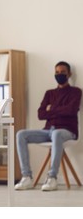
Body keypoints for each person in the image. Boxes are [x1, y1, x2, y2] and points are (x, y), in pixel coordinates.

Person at [15, 61, 81, 191]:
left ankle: (52, 178)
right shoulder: (49, 93)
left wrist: (52, 109)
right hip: (48, 131)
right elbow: (41, 114)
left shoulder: (76, 92)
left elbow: (71, 111)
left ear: (69, 74)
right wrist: (59, 110)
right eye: (57, 72)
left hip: (68, 131)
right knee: (21, 134)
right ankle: (26, 177)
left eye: (63, 72)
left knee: (57, 134)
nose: (59, 75)